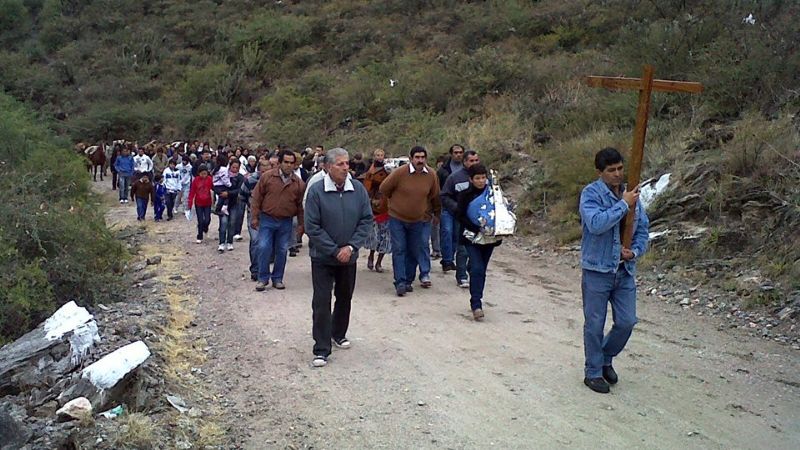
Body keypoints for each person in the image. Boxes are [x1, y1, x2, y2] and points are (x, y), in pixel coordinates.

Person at [579, 147, 650, 394]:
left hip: (624, 271)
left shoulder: (631, 194)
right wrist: (623, 205)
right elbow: (596, 224)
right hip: (597, 269)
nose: (617, 174)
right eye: (611, 170)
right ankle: (593, 372)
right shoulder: (591, 194)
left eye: (620, 168)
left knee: (627, 321)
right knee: (594, 323)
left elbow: (642, 229)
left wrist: (635, 251)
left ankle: (606, 357)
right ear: (600, 172)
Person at [304, 148, 373, 367]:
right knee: (322, 302)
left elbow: (366, 220)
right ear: (327, 167)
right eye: (340, 164)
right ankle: (321, 348)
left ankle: (338, 332)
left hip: (349, 257)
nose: (346, 168)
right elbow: (312, 227)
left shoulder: (358, 190)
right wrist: (335, 250)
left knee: (345, 297)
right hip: (323, 257)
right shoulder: (316, 191)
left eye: (347, 164)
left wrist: (351, 247)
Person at [380, 146, 441, 296]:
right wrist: (395, 203)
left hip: (418, 219)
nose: (420, 160)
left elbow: (434, 195)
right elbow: (384, 188)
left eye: (422, 157)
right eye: (417, 157)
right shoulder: (400, 173)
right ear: (411, 158)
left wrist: (435, 214)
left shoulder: (431, 175)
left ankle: (408, 280)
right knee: (399, 249)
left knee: (414, 250)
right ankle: (399, 282)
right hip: (397, 218)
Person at [251, 149, 305, 291]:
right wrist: (255, 217)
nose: (288, 165)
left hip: (286, 221)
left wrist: (301, 224)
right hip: (267, 219)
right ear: (280, 163)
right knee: (263, 247)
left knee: (282, 250)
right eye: (285, 162)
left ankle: (277, 278)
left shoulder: (298, 183)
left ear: (295, 165)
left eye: (291, 163)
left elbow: (300, 206)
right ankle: (263, 278)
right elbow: (257, 197)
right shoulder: (267, 177)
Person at [455, 164, 502, 321]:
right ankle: (476, 304)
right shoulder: (465, 195)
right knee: (477, 268)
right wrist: (475, 227)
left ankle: (475, 284)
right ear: (471, 179)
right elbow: (459, 215)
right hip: (472, 237)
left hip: (489, 239)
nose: (481, 181)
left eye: (483, 177)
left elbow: (500, 210)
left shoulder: (494, 194)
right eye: (477, 178)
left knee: (481, 268)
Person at [440, 150, 481, 288]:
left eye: (476, 160)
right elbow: (444, 196)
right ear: (464, 162)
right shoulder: (454, 178)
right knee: (463, 247)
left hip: (480, 219)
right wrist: (458, 208)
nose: (474, 163)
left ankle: (474, 272)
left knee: (478, 247)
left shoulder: (483, 178)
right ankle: (462, 276)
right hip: (461, 218)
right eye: (471, 161)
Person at [363, 148, 391, 272]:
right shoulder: (370, 171)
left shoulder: (388, 170)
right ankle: (371, 256)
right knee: (374, 236)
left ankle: (379, 262)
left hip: (385, 205)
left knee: (385, 236)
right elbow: (366, 189)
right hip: (373, 205)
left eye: (381, 155)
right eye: (377, 155)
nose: (380, 157)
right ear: (374, 157)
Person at [217, 161, 244, 252]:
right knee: (223, 223)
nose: (235, 169)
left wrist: (228, 193)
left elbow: (239, 190)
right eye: (233, 167)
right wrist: (221, 193)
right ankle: (221, 243)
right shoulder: (223, 175)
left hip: (234, 202)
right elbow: (216, 185)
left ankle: (229, 242)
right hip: (223, 202)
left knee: (232, 223)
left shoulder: (240, 177)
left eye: (237, 168)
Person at [188, 164, 214, 243]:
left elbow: (214, 188)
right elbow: (192, 192)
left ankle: (205, 228)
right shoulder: (195, 180)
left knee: (207, 219)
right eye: (202, 173)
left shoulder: (210, 179)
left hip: (208, 202)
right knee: (200, 220)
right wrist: (189, 203)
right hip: (198, 203)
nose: (203, 175)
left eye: (205, 173)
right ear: (199, 173)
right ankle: (199, 236)